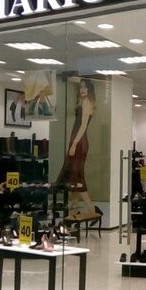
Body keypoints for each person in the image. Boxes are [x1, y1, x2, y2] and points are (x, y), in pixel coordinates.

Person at [57, 78, 95, 214]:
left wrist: (74, 144)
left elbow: (83, 125)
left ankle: (91, 210)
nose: (82, 89)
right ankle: (74, 210)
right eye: (81, 87)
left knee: (77, 177)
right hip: (78, 140)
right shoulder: (84, 102)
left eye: (85, 87)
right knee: (74, 177)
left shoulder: (86, 102)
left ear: (89, 89)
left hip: (79, 141)